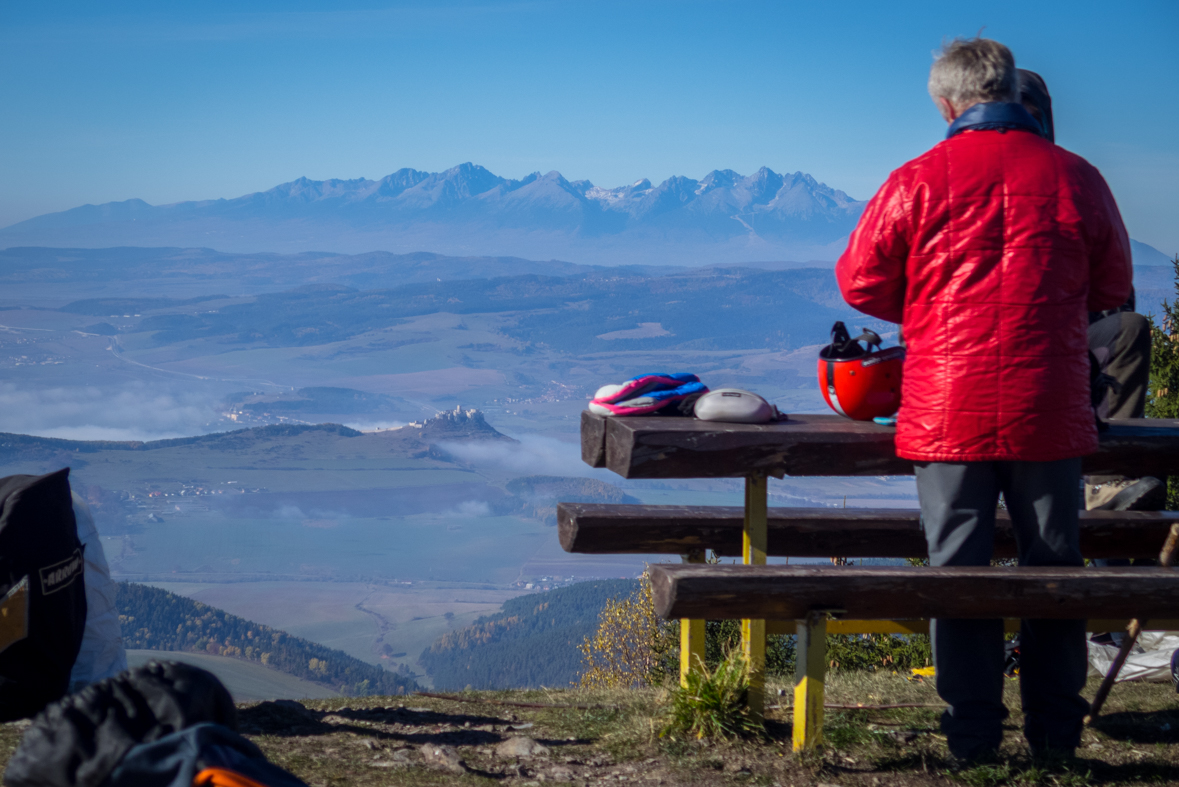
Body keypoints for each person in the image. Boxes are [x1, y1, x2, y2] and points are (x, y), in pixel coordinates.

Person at [836, 38, 1132, 760]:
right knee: (1053, 569)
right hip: (1048, 403)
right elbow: (1111, 285)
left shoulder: (916, 179)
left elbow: (859, 283)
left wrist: (928, 299)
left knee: (956, 573)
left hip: (945, 410)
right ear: (1011, 89)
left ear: (945, 103)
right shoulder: (1075, 178)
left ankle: (971, 737)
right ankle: (1055, 738)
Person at [1018, 69, 1164, 513]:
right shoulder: (1073, 180)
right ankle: (1105, 484)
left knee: (1128, 327)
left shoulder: (1072, 180)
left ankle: (1107, 479)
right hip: (1010, 352)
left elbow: (1115, 282)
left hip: (1064, 341)